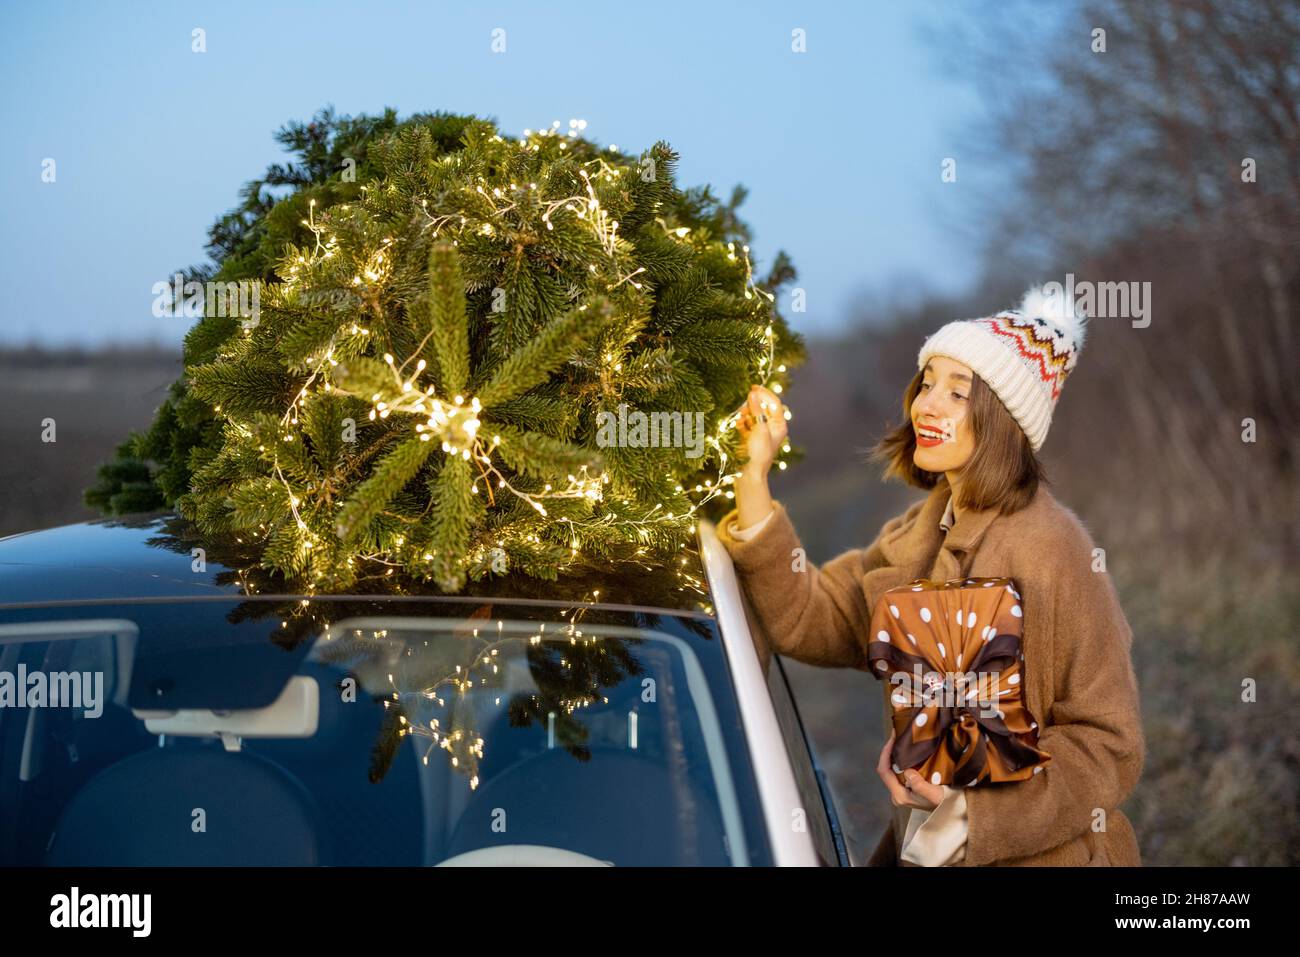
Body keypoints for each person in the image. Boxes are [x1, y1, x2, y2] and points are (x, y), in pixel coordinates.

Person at [717, 286, 1144, 866]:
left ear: (1002, 418)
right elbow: (809, 619)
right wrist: (752, 479)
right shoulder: (916, 530)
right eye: (927, 382)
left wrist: (973, 815)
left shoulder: (1055, 550)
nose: (926, 404)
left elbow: (1108, 743)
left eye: (957, 392)